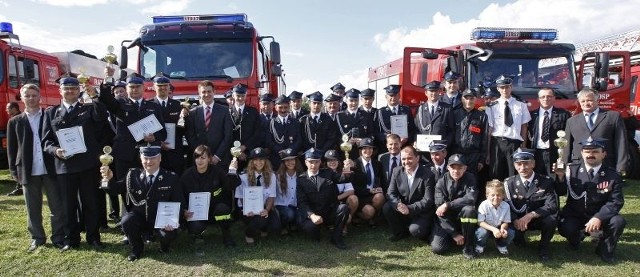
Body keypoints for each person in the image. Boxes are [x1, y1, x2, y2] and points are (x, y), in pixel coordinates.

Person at [42, 76, 108, 251]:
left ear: (78, 90)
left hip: (87, 164)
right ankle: (72, 239)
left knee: (90, 203)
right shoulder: (51, 113)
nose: (70, 91)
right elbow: (46, 141)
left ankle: (93, 237)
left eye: (73, 88)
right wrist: (56, 151)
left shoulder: (88, 108)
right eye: (66, 89)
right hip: (64, 166)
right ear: (60, 91)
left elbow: (101, 117)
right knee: (68, 205)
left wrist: (95, 97)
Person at [100, 146, 185, 261]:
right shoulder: (132, 175)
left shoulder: (171, 177)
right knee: (126, 221)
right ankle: (137, 248)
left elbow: (179, 202)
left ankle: (164, 247)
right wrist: (109, 179)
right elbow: (115, 189)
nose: (149, 162)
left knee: (168, 235)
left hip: (160, 219)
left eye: (153, 158)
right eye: (146, 158)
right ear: (141, 159)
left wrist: (174, 222)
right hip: (140, 217)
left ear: (160, 158)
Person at [7, 84, 65, 251]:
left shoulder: (49, 115)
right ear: (22, 98)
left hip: (49, 167)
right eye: (27, 95)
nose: (31, 98)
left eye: (34, 95)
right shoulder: (15, 121)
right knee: (33, 207)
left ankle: (58, 237)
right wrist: (13, 171)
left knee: (56, 206)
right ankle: (37, 238)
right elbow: (12, 149)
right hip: (27, 169)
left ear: (40, 97)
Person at [555, 138, 626, 264]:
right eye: (587, 151)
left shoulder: (612, 175)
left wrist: (598, 217)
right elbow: (560, 192)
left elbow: (616, 201)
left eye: (595, 151)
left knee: (618, 221)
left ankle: (605, 249)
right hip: (576, 214)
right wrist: (560, 177)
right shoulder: (571, 170)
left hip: (600, 215)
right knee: (566, 226)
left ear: (603, 154)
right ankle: (575, 239)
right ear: (582, 153)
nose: (590, 155)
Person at [98, 73, 167, 182]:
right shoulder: (119, 104)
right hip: (125, 155)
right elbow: (105, 99)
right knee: (125, 186)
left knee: (147, 185)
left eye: (138, 87)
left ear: (143, 88)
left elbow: (163, 133)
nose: (135, 90)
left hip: (147, 156)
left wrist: (154, 137)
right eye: (131, 87)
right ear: (126, 89)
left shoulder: (153, 106)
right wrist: (107, 78)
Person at [503, 148, 558, 261]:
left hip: (537, 218)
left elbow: (551, 205)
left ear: (533, 164)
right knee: (518, 242)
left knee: (551, 220)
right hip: (517, 220)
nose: (522, 168)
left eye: (526, 164)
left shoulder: (545, 181)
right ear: (514, 165)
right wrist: (514, 220)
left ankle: (543, 247)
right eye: (519, 164)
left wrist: (531, 215)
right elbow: (506, 206)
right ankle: (518, 238)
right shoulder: (509, 183)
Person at [181, 145, 235, 250]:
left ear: (209, 159)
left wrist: (232, 171)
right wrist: (184, 210)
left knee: (222, 209)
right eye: (197, 157)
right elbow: (179, 195)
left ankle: (226, 233)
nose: (199, 161)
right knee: (195, 228)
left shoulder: (218, 172)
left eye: (203, 157)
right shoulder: (187, 175)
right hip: (197, 213)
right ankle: (197, 235)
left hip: (215, 211)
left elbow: (229, 186)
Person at [563, 88, 628, 174]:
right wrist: (564, 166)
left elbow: (621, 143)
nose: (586, 103)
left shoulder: (613, 117)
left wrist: (621, 167)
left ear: (597, 101)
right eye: (583, 101)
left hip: (606, 165)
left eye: (589, 100)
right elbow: (566, 147)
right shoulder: (571, 121)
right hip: (579, 167)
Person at [297, 148, 350, 249]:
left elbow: (343, 179)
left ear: (320, 162)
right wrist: (312, 216)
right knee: (312, 232)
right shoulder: (301, 179)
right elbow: (302, 202)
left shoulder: (328, 173)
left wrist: (347, 169)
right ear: (305, 162)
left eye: (316, 162)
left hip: (328, 211)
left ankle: (336, 237)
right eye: (310, 162)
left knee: (343, 208)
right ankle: (318, 230)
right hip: (313, 213)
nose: (313, 165)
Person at [383, 145, 436, 241]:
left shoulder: (428, 175)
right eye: (403, 159)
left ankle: (422, 229)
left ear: (417, 158)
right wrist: (398, 204)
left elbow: (428, 200)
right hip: (403, 208)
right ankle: (400, 233)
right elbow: (390, 193)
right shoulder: (397, 171)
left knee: (416, 231)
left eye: (409, 158)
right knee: (387, 207)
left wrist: (409, 208)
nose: (406, 162)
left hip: (420, 211)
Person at [431, 154, 478, 259]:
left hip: (463, 217)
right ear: (448, 167)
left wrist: (448, 204)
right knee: (438, 248)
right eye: (453, 167)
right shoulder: (441, 182)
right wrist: (453, 234)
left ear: (465, 168)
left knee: (469, 210)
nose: (456, 171)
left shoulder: (470, 178)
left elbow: (470, 199)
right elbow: (439, 211)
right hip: (446, 219)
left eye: (460, 168)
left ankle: (468, 246)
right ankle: (455, 237)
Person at [485, 75, 531, 181]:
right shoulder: (491, 106)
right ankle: (496, 197)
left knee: (513, 174)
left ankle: (512, 197)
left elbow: (524, 128)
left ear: (511, 87)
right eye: (502, 87)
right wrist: (487, 152)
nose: (504, 90)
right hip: (497, 143)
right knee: (495, 173)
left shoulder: (521, 105)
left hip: (514, 143)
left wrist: (523, 147)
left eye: (507, 87)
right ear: (498, 89)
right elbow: (490, 130)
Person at [233, 147, 281, 245]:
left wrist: (266, 210)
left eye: (261, 159)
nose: (258, 162)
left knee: (275, 227)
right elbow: (240, 197)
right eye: (255, 160)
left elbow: (271, 196)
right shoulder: (243, 176)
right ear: (251, 161)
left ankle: (262, 228)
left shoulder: (272, 176)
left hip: (263, 207)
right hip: (246, 209)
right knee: (261, 220)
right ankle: (249, 233)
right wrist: (247, 209)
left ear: (266, 161)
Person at [185, 80, 234, 169]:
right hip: (200, 161)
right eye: (203, 92)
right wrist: (201, 156)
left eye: (209, 91)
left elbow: (228, 136)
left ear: (214, 92)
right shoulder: (192, 113)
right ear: (199, 93)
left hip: (220, 160)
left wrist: (217, 156)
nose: (207, 94)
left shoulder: (225, 111)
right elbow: (190, 136)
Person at [528, 88, 570, 176]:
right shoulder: (531, 115)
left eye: (549, 96)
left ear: (554, 98)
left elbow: (568, 136)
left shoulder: (563, 114)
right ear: (538, 99)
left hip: (555, 154)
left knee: (555, 180)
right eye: (542, 97)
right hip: (537, 154)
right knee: (537, 180)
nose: (546, 99)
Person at [149, 75, 185, 175]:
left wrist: (185, 117)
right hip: (155, 151)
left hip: (174, 151)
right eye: (159, 86)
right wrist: (159, 142)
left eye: (165, 85)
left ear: (169, 87)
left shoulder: (177, 105)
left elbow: (182, 128)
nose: (163, 88)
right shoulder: (148, 105)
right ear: (154, 87)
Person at [451, 89, 488, 177]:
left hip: (474, 156)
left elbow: (484, 139)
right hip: (457, 154)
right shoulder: (454, 114)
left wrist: (482, 160)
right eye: (466, 98)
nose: (469, 101)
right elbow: (450, 135)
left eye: (471, 98)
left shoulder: (482, 116)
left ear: (475, 100)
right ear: (462, 99)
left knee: (472, 183)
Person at [351, 138, 385, 226]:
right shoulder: (354, 164)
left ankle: (374, 217)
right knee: (369, 212)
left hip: (373, 194)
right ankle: (357, 216)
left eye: (370, 148)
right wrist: (368, 191)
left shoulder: (377, 164)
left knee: (380, 197)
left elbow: (381, 179)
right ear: (360, 150)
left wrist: (379, 187)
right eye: (365, 148)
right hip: (360, 196)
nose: (368, 150)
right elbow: (352, 186)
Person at [475, 180, 515, 256]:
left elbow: (505, 222)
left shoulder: (506, 206)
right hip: (486, 228)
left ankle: (501, 245)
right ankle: (480, 245)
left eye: (498, 195)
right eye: (492, 195)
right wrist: (493, 229)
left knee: (511, 233)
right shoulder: (483, 205)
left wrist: (503, 228)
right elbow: (480, 222)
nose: (496, 198)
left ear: (503, 196)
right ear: (487, 195)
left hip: (499, 228)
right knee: (481, 233)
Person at [324, 149, 358, 234]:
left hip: (339, 201)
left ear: (338, 161)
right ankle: (330, 224)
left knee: (353, 199)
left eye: (334, 160)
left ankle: (345, 224)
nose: (332, 162)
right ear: (325, 162)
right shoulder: (322, 173)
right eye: (329, 160)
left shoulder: (343, 172)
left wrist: (337, 198)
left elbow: (351, 191)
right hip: (326, 204)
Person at [373, 85, 416, 150]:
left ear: (399, 96)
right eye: (391, 96)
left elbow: (412, 129)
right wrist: (387, 137)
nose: (393, 98)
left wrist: (406, 138)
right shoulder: (380, 112)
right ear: (386, 97)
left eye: (395, 95)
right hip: (386, 148)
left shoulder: (406, 110)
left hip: (404, 147)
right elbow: (376, 132)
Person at [335, 89, 374, 159]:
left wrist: (363, 141)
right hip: (345, 153)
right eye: (351, 100)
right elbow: (336, 135)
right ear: (346, 100)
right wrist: (346, 142)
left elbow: (372, 133)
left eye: (356, 100)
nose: (354, 103)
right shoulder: (340, 116)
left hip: (362, 153)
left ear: (359, 101)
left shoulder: (366, 115)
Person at [230, 83, 261, 169]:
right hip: (231, 154)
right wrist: (238, 152)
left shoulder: (253, 112)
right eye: (238, 95)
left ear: (246, 95)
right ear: (233, 95)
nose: (240, 98)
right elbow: (226, 134)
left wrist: (244, 147)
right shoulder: (227, 112)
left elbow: (257, 132)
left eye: (243, 96)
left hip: (250, 152)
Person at [265, 95, 301, 169]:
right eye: (280, 107)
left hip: (292, 158)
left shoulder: (295, 122)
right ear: (276, 108)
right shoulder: (270, 123)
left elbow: (299, 140)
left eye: (285, 107)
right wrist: (279, 151)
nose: (283, 110)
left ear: (289, 107)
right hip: (276, 158)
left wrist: (291, 150)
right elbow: (268, 141)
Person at [415, 81, 454, 147]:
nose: (434, 93)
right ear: (426, 93)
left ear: (439, 92)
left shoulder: (447, 108)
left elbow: (451, 130)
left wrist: (445, 144)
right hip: (423, 151)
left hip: (440, 150)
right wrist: (416, 141)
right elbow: (416, 129)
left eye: (436, 91)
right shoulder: (420, 109)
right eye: (431, 91)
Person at [275, 148, 303, 234]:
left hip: (297, 205)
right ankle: (283, 226)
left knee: (300, 220)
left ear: (296, 160)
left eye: (292, 159)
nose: (290, 162)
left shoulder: (302, 175)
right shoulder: (278, 176)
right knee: (289, 214)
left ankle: (293, 224)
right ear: (283, 162)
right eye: (287, 160)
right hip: (282, 204)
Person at [6, 101, 23, 196]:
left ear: (14, 108)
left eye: (8, 108)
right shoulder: (14, 119)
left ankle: (19, 187)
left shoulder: (18, 119)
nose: (6, 110)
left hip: (19, 148)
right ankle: (19, 186)